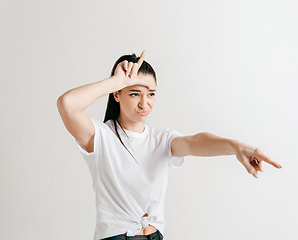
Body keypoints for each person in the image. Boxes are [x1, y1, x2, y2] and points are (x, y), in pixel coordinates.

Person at [56, 50, 283, 240]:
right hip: (115, 236)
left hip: (155, 236)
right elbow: (67, 104)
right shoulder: (101, 136)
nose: (145, 103)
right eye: (135, 93)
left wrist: (236, 146)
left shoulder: (161, 139)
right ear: (117, 95)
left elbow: (195, 142)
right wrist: (117, 81)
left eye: (151, 94)